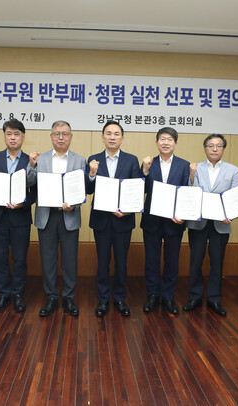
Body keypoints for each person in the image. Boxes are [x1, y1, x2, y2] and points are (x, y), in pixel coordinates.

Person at [26, 120, 85, 317]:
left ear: (71, 137)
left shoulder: (80, 160)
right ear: (51, 136)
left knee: (70, 260)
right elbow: (29, 182)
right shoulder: (40, 159)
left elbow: (82, 189)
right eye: (57, 134)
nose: (61, 137)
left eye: (65, 134)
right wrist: (31, 165)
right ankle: (51, 296)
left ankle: (68, 297)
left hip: (69, 216)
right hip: (47, 216)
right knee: (48, 259)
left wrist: (75, 204)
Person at [86, 120, 142, 317]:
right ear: (102, 137)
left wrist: (128, 210)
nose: (112, 137)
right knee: (102, 262)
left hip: (122, 219)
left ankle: (119, 298)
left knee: (121, 262)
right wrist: (91, 174)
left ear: (122, 138)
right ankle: (102, 300)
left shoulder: (131, 160)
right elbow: (88, 190)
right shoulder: (93, 160)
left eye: (116, 134)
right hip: (101, 220)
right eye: (108, 133)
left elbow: (136, 189)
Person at [182, 134, 238, 316]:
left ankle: (214, 299)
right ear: (205, 148)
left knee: (217, 263)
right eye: (211, 145)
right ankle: (195, 297)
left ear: (223, 149)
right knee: (195, 261)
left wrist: (230, 214)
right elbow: (190, 194)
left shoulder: (233, 170)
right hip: (198, 222)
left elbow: (234, 196)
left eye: (219, 146)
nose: (215, 149)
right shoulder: (195, 167)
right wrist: (192, 175)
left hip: (221, 223)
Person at [0, 119, 35, 313]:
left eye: (16, 134)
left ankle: (18, 294)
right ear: (4, 136)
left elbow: (36, 191)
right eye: (9, 134)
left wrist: (25, 203)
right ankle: (4, 294)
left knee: (20, 259)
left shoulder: (30, 161)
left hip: (20, 217)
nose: (13, 138)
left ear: (23, 137)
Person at [140, 127, 190, 315]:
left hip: (174, 222)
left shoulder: (184, 165)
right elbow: (140, 189)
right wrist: (144, 171)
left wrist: (183, 215)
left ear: (175, 143)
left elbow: (186, 193)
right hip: (152, 220)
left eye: (170, 139)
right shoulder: (148, 163)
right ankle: (152, 295)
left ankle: (168, 297)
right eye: (162, 139)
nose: (166, 142)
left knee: (172, 262)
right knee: (151, 261)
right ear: (156, 142)